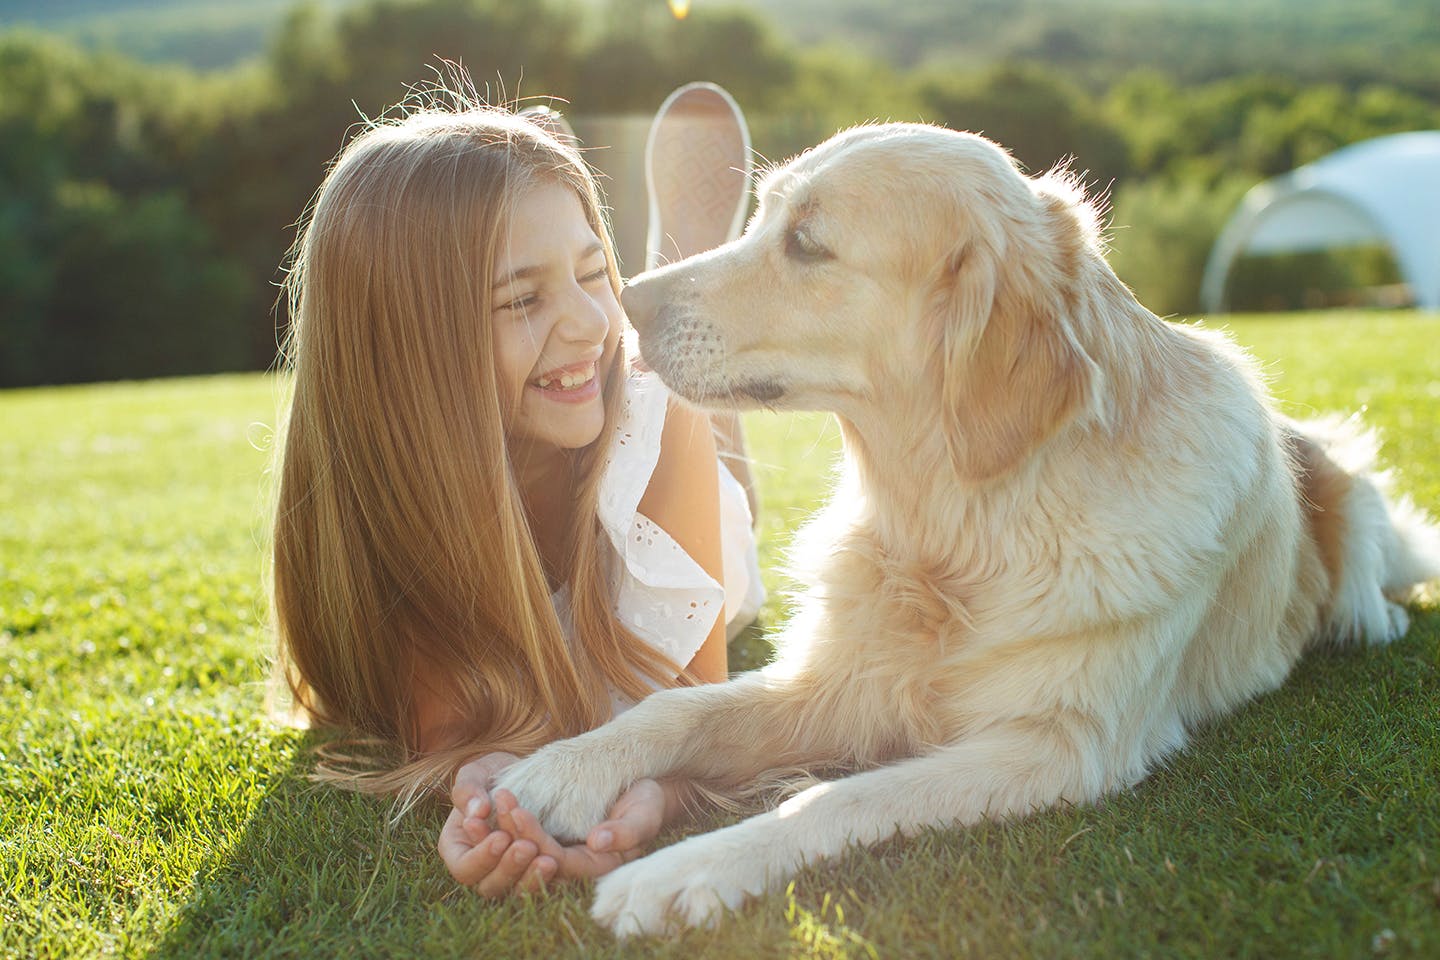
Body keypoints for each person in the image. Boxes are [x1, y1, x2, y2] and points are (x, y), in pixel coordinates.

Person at [269, 80, 763, 899]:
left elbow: (693, 715)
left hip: (662, 474)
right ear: (412, 352)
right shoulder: (393, 492)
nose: (590, 322)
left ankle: (683, 315)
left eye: (592, 271)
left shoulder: (649, 414)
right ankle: (655, 296)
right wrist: (488, 796)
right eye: (523, 298)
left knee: (700, 451)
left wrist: (655, 798)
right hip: (526, 468)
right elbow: (463, 736)